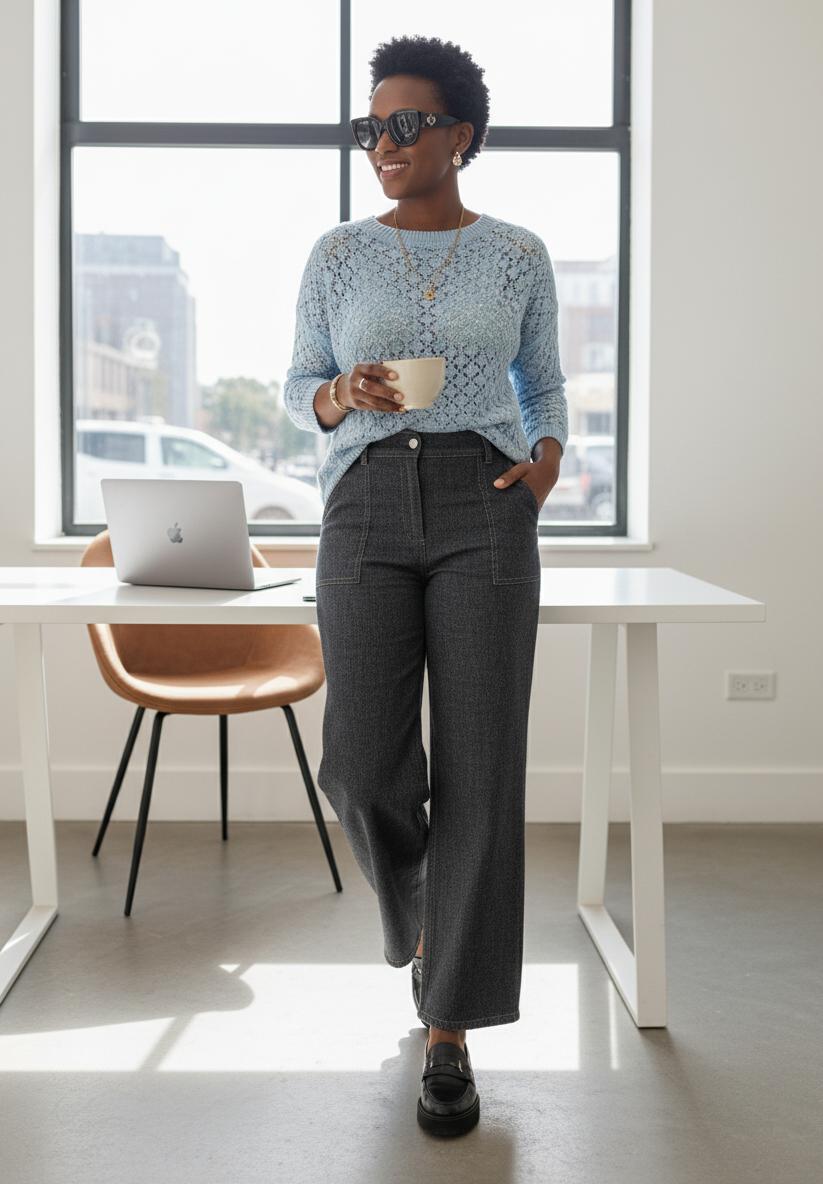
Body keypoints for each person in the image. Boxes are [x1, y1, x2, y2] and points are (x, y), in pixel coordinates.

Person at [284, 34, 567, 1137]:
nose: (386, 144)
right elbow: (300, 378)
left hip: (481, 499)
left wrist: (542, 464)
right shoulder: (338, 255)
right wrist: (339, 395)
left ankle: (448, 1027)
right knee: (358, 758)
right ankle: (421, 923)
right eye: (372, 128)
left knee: (485, 763)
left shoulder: (519, 254)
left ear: (461, 133)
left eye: (407, 124)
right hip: (363, 492)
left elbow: (540, 381)